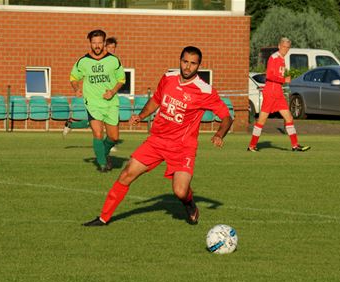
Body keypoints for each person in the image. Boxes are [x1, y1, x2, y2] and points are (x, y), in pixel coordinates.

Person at [83, 46, 233, 227]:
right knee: (126, 174)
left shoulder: (205, 90)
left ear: (199, 66)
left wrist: (219, 134)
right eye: (185, 62)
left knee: (180, 191)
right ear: (180, 60)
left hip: (183, 147)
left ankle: (189, 203)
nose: (187, 67)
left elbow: (226, 117)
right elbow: (156, 99)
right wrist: (141, 115)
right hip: (157, 141)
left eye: (193, 64)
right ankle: (103, 218)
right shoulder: (168, 78)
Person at [69, 29, 126, 172]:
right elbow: (74, 77)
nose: (97, 46)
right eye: (94, 43)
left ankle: (102, 155)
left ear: (104, 43)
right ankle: (102, 165)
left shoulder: (113, 60)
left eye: (100, 43)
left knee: (113, 137)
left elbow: (121, 79)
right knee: (98, 133)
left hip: (111, 103)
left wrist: (112, 91)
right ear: (90, 43)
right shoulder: (83, 61)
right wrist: (76, 88)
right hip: (93, 103)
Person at [247, 37, 310, 152]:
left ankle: (295, 145)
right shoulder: (274, 58)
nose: (286, 49)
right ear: (279, 46)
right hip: (270, 93)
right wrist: (284, 80)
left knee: (289, 117)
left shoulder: (282, 59)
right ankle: (252, 145)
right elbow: (269, 76)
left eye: (288, 47)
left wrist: (283, 81)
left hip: (278, 93)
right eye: (284, 47)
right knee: (262, 120)